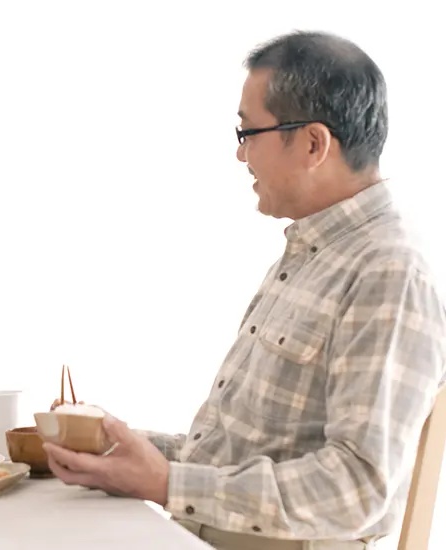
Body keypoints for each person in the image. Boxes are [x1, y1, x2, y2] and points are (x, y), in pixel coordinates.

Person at [42, 30, 446, 550]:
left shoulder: (388, 272)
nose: (240, 155)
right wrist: (120, 443)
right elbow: (238, 456)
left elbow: (358, 490)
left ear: (313, 143)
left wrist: (164, 482)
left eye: (246, 132)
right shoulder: (311, 254)